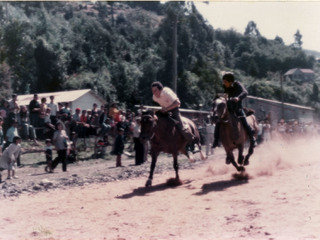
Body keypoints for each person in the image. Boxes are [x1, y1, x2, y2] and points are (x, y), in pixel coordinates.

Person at [213, 72, 256, 147]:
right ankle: (216, 141)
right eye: (223, 81)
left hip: (237, 108)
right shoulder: (226, 86)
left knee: (244, 121)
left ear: (230, 81)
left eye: (225, 82)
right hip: (228, 109)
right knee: (218, 122)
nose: (224, 83)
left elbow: (245, 92)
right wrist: (219, 96)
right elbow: (226, 95)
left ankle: (252, 139)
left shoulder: (238, 84)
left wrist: (238, 98)